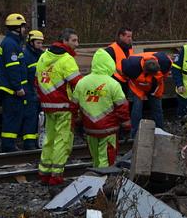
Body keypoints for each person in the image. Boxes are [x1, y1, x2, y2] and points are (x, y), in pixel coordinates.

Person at [36, 28, 82, 185]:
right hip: (64, 107)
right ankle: (56, 176)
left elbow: (37, 81)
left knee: (49, 139)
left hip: (47, 106)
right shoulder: (67, 59)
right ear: (65, 41)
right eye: (74, 40)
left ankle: (44, 173)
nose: (77, 44)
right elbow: (78, 84)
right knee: (62, 141)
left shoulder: (43, 56)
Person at [71, 48, 130, 167]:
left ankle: (95, 180)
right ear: (109, 64)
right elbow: (122, 108)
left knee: (96, 158)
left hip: (90, 128)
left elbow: (74, 106)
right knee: (107, 160)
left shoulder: (82, 82)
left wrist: (77, 124)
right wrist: (126, 126)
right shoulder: (113, 84)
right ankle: (103, 182)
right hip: (108, 129)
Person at [0, 13, 28, 152]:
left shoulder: (12, 42)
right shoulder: (11, 44)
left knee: (13, 116)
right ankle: (8, 146)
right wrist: (18, 87)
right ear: (17, 28)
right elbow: (13, 69)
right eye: (23, 27)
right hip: (11, 90)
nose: (25, 30)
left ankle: (9, 144)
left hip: (11, 89)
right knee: (12, 117)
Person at [120, 51, 172, 138]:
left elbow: (165, 75)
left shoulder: (165, 62)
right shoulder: (130, 66)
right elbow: (124, 75)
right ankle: (134, 134)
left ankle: (160, 132)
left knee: (157, 109)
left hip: (155, 87)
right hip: (137, 87)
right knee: (137, 109)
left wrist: (153, 83)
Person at [21, 29, 44, 150]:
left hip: (38, 91)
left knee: (39, 119)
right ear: (31, 42)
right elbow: (23, 76)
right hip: (29, 91)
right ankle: (28, 143)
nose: (40, 45)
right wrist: (27, 92)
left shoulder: (41, 55)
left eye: (41, 43)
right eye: (38, 43)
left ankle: (37, 141)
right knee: (30, 117)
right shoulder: (26, 55)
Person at [106, 27, 133, 92]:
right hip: (116, 82)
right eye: (128, 36)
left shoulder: (129, 48)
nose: (130, 39)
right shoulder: (111, 49)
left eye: (131, 37)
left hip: (128, 81)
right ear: (121, 36)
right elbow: (107, 68)